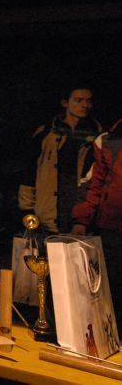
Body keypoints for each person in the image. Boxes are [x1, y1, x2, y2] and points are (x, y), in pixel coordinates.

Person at [19, 86, 101, 233]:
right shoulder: (47, 134)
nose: (85, 105)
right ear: (65, 103)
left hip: (80, 203)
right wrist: (27, 208)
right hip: (50, 204)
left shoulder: (98, 137)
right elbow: (31, 171)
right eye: (78, 100)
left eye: (88, 101)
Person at [72, 118, 122, 322]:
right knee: (113, 286)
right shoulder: (108, 141)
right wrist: (81, 220)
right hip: (111, 227)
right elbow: (94, 183)